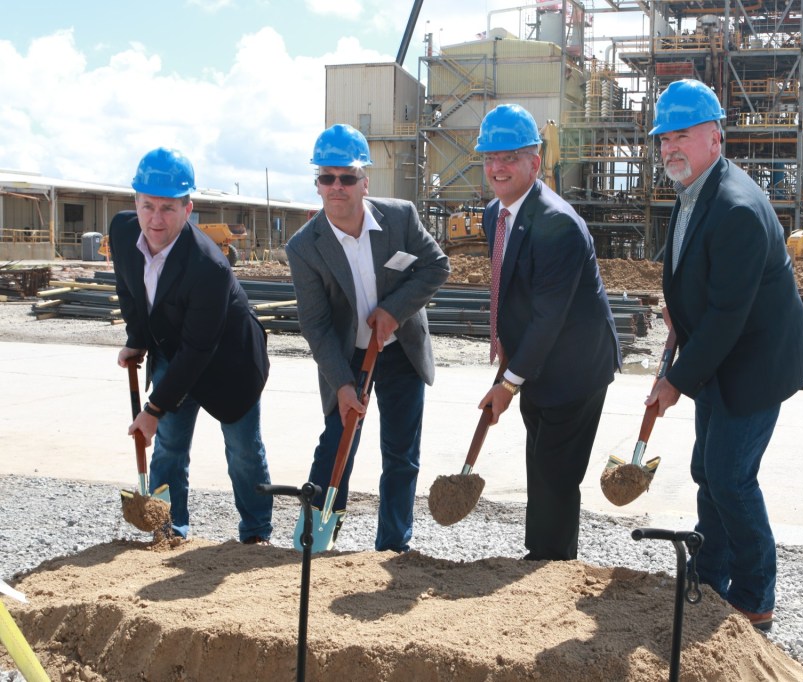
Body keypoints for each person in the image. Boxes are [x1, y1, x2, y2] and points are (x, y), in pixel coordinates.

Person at [643, 80, 803, 631]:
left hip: (753, 365)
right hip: (720, 356)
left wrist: (675, 380)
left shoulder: (736, 207)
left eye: (681, 135)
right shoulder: (694, 192)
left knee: (729, 477)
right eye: (663, 138)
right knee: (709, 469)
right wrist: (678, 315)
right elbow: (692, 279)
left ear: (714, 138)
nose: (670, 148)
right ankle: (710, 576)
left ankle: (754, 596)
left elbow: (729, 317)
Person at [286, 124, 449, 552]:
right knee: (339, 441)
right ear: (318, 184)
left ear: (365, 181)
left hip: (400, 352)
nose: (336, 187)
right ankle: (316, 536)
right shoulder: (305, 247)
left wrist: (393, 312)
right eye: (327, 177)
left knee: (400, 454)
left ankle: (394, 544)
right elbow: (316, 324)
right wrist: (342, 383)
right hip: (346, 354)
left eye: (347, 177)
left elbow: (435, 267)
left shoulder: (400, 218)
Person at [475, 104, 621, 561]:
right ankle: (540, 556)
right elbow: (514, 290)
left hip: (574, 367)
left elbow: (549, 316)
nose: (497, 168)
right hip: (535, 362)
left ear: (534, 163)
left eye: (510, 157)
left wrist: (508, 384)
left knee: (556, 474)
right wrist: (507, 357)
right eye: (489, 157)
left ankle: (551, 564)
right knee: (539, 464)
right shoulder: (494, 215)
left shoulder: (558, 224)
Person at [110, 147, 274, 544]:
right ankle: (169, 529)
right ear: (136, 202)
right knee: (169, 447)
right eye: (147, 205)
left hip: (228, 362)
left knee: (243, 452)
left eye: (168, 208)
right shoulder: (122, 230)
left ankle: (256, 534)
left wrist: (151, 409)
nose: (155, 218)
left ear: (188, 208)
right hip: (174, 347)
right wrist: (136, 340)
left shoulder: (208, 266)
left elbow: (199, 350)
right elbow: (130, 293)